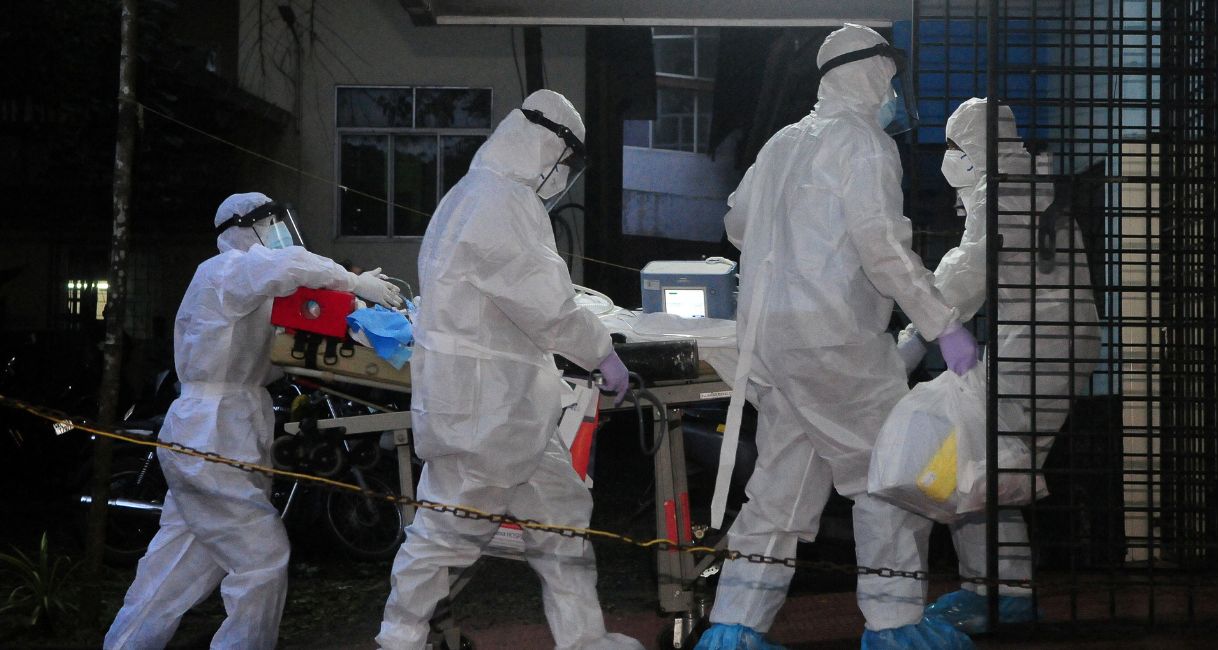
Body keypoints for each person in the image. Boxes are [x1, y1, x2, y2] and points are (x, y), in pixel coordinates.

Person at [695, 24, 979, 650]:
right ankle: (895, 626)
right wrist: (944, 326)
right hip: (838, 344)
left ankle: (734, 629)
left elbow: (738, 224)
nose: (895, 93)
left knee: (779, 488)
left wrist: (792, 238)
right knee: (886, 481)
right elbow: (883, 249)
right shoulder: (864, 144)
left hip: (770, 346)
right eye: (890, 78)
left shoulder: (781, 143)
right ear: (872, 73)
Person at [375, 89, 641, 650]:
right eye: (564, 166)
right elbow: (544, 301)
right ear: (546, 149)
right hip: (485, 411)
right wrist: (601, 352)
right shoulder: (500, 201)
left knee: (562, 519)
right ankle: (399, 639)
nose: (562, 179)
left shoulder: (473, 195)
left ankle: (583, 638)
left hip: (508, 409)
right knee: (448, 533)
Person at [104, 192, 403, 649]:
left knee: (174, 567)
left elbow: (284, 334)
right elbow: (289, 266)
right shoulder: (225, 271)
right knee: (262, 559)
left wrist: (357, 314)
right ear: (246, 228)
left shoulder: (249, 288)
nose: (277, 236)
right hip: (212, 433)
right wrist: (350, 281)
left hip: (223, 430)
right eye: (269, 225)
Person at [892, 98, 1100, 634]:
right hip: (1043, 338)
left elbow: (969, 270)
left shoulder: (1003, 190)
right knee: (987, 463)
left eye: (953, 147)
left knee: (976, 462)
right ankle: (993, 588)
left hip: (1041, 341)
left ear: (972, 148)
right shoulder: (1021, 182)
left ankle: (1003, 592)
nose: (947, 159)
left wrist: (918, 336)